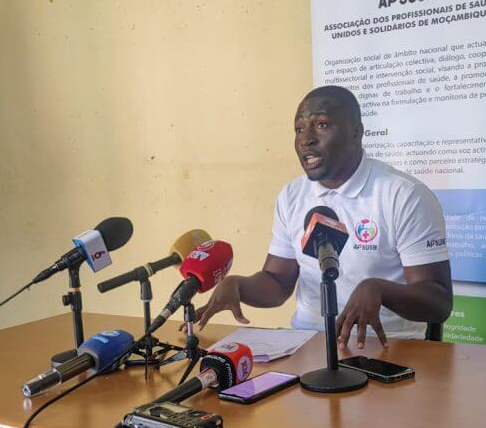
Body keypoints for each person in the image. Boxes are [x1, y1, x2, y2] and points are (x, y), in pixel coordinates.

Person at [192, 85, 452, 349]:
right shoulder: (292, 195)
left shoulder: (404, 195)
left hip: (388, 347)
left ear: (356, 133)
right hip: (307, 343)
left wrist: (380, 290)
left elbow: (438, 302)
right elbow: (278, 282)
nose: (306, 139)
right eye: (299, 129)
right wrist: (239, 286)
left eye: (322, 125)